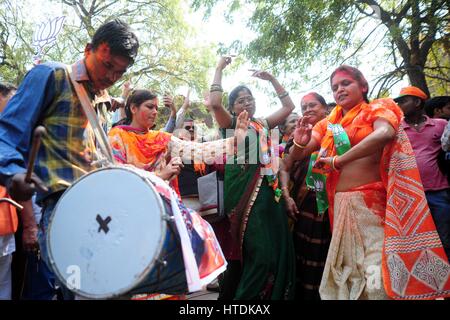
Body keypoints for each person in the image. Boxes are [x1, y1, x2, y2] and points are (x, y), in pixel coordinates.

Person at [0, 19, 139, 299]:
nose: (112, 77)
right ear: (89, 49)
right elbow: (5, 134)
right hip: (63, 208)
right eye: (108, 65)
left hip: (99, 210)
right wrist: (12, 172)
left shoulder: (101, 99)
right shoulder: (51, 75)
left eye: (120, 72)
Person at [289, 65, 450, 300]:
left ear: (363, 86)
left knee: (377, 273)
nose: (339, 90)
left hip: (373, 207)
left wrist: (340, 160)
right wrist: (300, 142)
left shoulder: (377, 108)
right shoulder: (328, 124)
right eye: (335, 88)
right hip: (341, 207)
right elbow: (299, 154)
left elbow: (384, 133)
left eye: (346, 84)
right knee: (350, 273)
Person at [208, 56, 296, 300]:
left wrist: (272, 79)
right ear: (233, 107)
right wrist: (218, 69)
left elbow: (289, 107)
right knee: (260, 253)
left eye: (249, 98)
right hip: (246, 195)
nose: (246, 102)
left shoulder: (263, 124)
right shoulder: (231, 124)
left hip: (270, 192)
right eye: (240, 100)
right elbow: (214, 103)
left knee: (276, 250)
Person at [280, 92, 331, 300]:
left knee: (326, 260)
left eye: (313, 105)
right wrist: (286, 196)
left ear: (326, 109)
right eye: (304, 107)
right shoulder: (297, 139)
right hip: (302, 209)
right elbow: (284, 167)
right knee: (301, 259)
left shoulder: (340, 134)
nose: (308, 110)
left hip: (332, 210)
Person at [395, 86, 450, 262]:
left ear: (417, 102)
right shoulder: (395, 130)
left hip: (439, 192)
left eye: (403, 101)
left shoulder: (440, 125)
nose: (400, 105)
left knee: (445, 238)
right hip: (410, 196)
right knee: (420, 241)